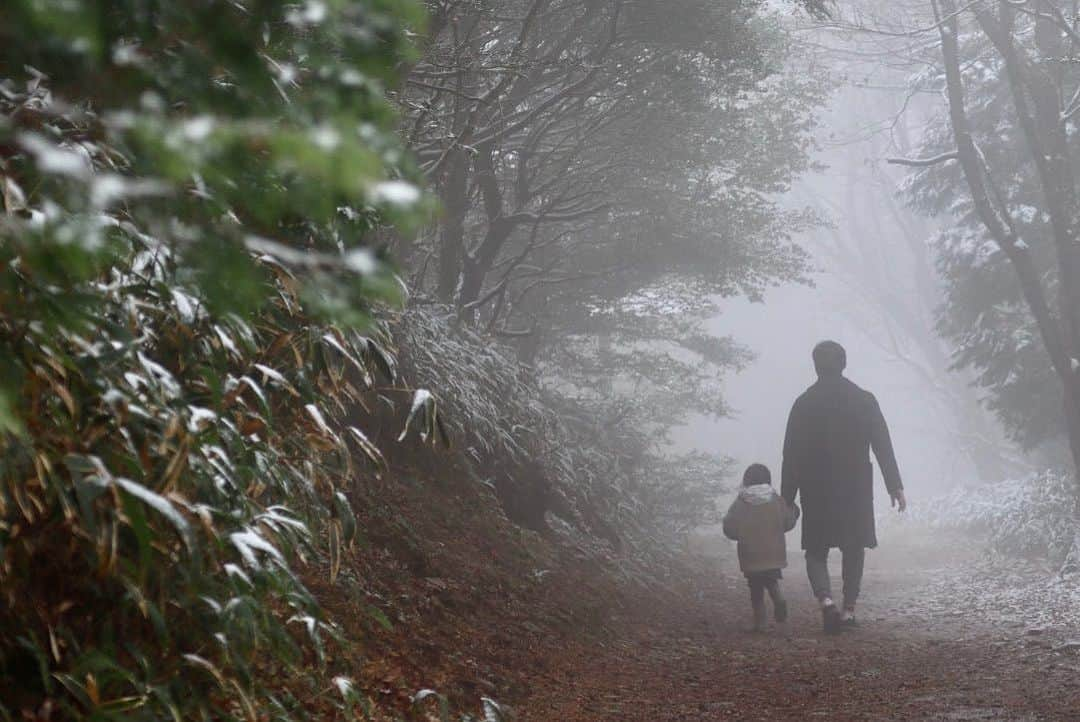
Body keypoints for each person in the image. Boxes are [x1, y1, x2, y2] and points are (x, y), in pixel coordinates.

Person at [781, 340, 906, 634]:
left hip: (816, 485)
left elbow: (791, 453)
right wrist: (894, 485)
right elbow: (882, 444)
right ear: (844, 363)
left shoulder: (803, 403)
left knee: (815, 547)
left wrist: (788, 496)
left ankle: (826, 601)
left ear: (815, 365)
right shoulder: (864, 399)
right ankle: (849, 610)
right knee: (854, 546)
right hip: (855, 486)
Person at [722, 463, 800, 633]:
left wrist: (740, 535)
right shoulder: (776, 499)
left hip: (750, 553)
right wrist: (794, 513)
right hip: (773, 553)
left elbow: (729, 527)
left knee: (756, 590)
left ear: (746, 480)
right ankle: (779, 600)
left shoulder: (741, 502)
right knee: (771, 581)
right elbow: (787, 522)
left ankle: (761, 624)